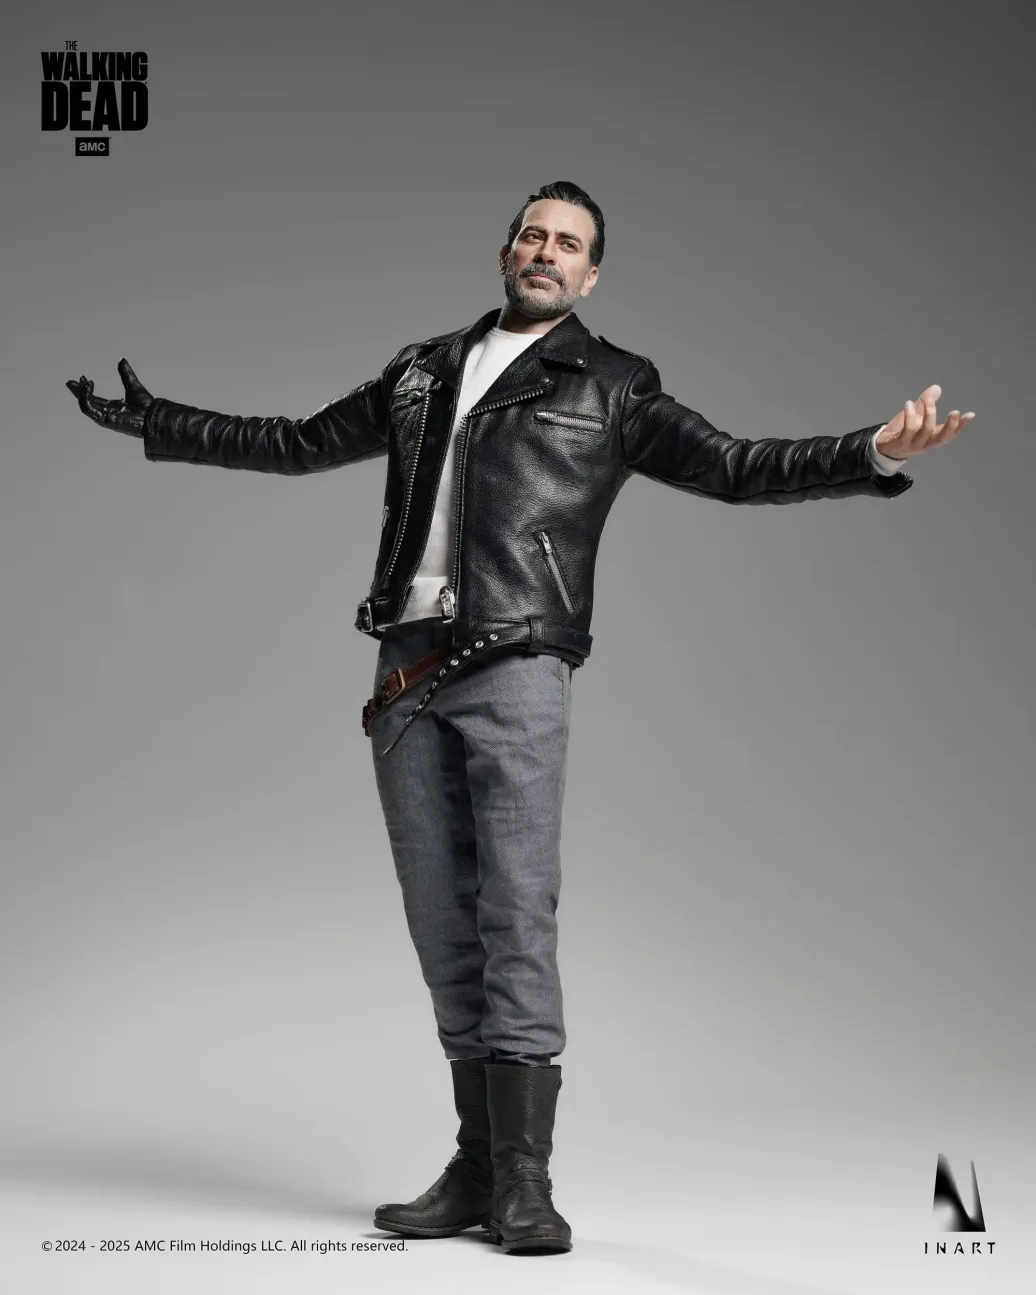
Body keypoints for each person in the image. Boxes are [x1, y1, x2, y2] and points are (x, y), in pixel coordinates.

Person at [66, 180, 977, 1256]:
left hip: (518, 662)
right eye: (533, 234)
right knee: (441, 921)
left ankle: (526, 1183)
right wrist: (160, 421)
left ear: (591, 274)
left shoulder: (614, 384)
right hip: (406, 670)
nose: (547, 251)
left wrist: (872, 452)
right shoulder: (422, 368)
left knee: (515, 914)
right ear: (506, 251)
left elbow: (735, 467)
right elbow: (300, 440)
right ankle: (475, 1165)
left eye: (569, 244)